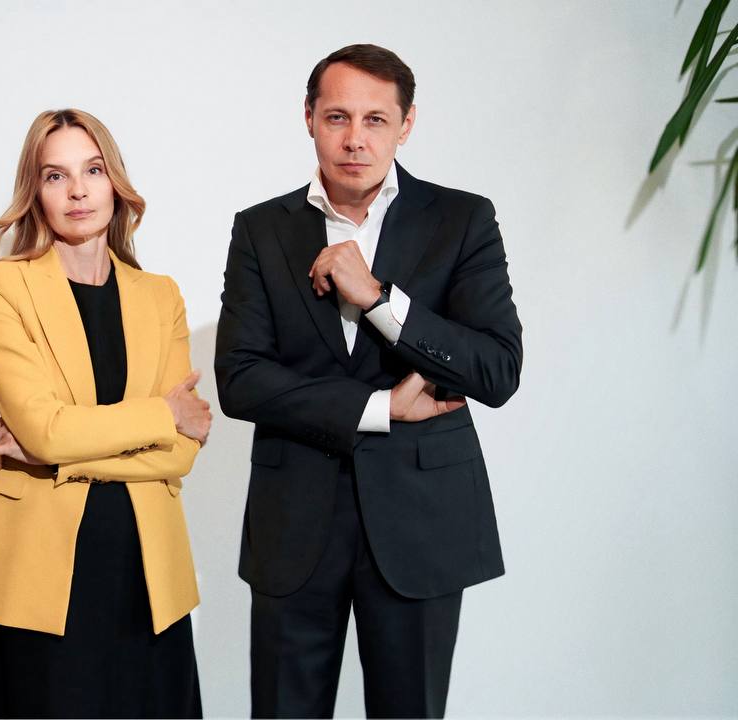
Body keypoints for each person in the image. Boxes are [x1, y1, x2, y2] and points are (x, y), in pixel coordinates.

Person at [215, 44, 524, 718]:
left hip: (422, 522)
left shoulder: (462, 220)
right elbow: (240, 379)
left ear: (406, 124)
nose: (355, 139)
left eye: (376, 119)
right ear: (308, 117)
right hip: (294, 521)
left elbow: (497, 369)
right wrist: (379, 407)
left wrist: (381, 300)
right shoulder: (261, 229)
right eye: (338, 117)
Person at [0, 108, 210, 719]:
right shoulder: (1, 287)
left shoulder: (161, 296)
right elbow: (48, 431)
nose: (77, 190)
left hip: (148, 574)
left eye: (93, 170)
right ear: (35, 191)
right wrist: (160, 415)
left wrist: (56, 455)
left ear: (114, 183)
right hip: (42, 579)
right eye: (56, 175)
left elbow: (182, 450)